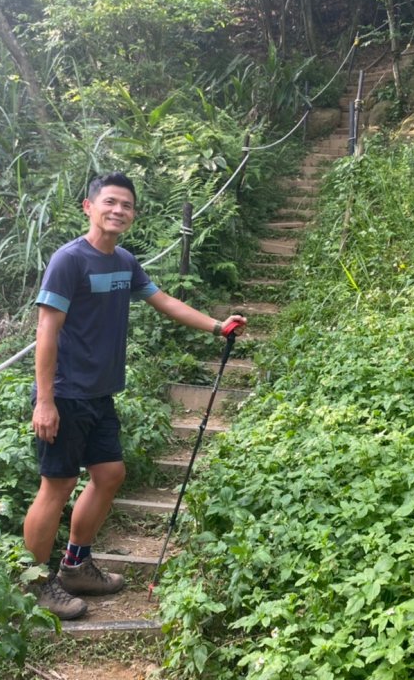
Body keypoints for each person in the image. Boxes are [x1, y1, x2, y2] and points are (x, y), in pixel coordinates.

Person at [23, 171, 246, 620]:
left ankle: (75, 565)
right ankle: (36, 582)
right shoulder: (70, 261)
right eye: (109, 202)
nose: (118, 210)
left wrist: (216, 326)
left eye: (126, 205)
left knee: (109, 475)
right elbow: (46, 331)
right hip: (65, 394)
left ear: (133, 214)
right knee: (58, 485)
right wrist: (44, 400)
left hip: (100, 395)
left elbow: (163, 300)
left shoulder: (123, 261)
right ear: (89, 206)